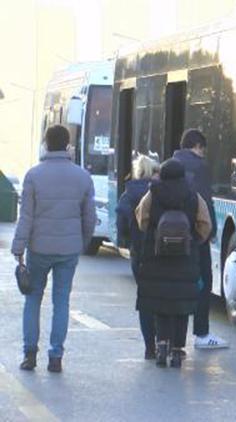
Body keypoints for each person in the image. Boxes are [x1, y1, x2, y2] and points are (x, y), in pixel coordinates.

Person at [12, 125, 97, 373]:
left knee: (33, 299)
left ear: (46, 144)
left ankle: (29, 355)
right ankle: (56, 356)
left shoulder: (33, 175)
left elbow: (26, 216)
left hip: (38, 248)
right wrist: (82, 240)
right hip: (68, 250)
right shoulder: (82, 177)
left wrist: (19, 247)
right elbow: (89, 217)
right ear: (68, 145)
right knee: (61, 300)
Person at [135, 159, 212, 368]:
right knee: (181, 306)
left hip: (157, 257)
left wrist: (153, 235)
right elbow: (205, 225)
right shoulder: (193, 196)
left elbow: (141, 218)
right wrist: (193, 240)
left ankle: (161, 346)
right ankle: (178, 350)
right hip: (186, 259)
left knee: (161, 304)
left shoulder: (153, 193)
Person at [172, 129, 229, 349]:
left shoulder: (170, 164)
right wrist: (210, 231)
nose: (203, 154)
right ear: (196, 146)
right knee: (203, 280)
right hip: (196, 236)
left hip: (173, 235)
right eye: (203, 149)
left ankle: (171, 338)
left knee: (177, 284)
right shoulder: (199, 167)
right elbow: (205, 202)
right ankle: (202, 334)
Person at [115, 155, 160, 359]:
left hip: (138, 252)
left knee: (145, 298)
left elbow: (121, 219)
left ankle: (149, 346)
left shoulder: (129, 192)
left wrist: (126, 239)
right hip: (161, 251)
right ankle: (164, 339)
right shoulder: (160, 191)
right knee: (162, 296)